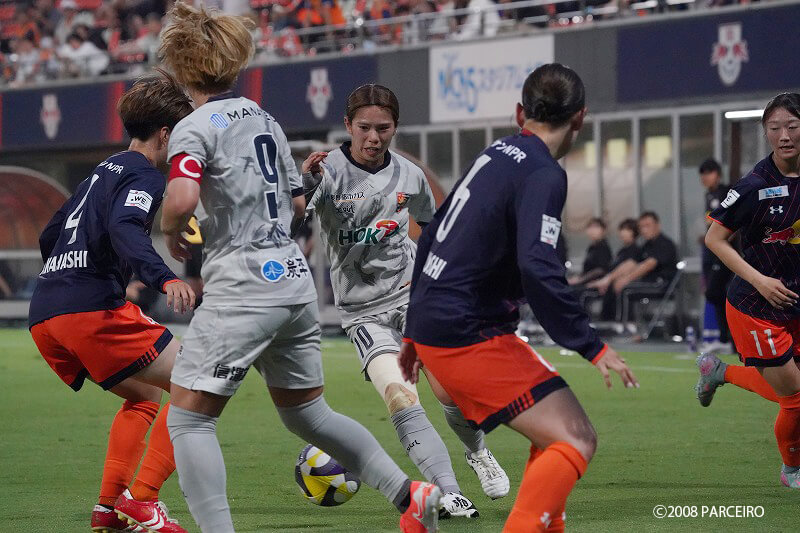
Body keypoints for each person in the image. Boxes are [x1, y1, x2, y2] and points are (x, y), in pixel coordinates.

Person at [158, 4, 442, 532]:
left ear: (180, 67)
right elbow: (294, 205)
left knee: (189, 420)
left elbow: (181, 198)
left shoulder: (192, 128)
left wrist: (172, 226)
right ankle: (410, 495)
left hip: (242, 284)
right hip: (291, 280)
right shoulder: (262, 118)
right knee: (309, 415)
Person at [399, 63, 638, 532]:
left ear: (519, 112)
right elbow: (537, 266)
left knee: (553, 437)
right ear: (580, 118)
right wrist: (591, 344)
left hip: (439, 326)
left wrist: (414, 329)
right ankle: (419, 518)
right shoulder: (544, 173)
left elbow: (432, 234)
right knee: (576, 439)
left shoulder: (495, 153)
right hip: (470, 333)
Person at [300, 84, 509, 519]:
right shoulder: (326, 171)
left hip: (415, 296)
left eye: (383, 128)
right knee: (400, 397)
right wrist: (303, 182)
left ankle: (478, 452)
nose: (373, 137)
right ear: (347, 126)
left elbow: (434, 229)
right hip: (362, 311)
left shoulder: (410, 176)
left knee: (451, 390)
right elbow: (293, 211)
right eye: (364, 128)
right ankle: (448, 492)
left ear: (395, 127)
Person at [27, 71, 196, 533]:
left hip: (45, 312)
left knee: (144, 398)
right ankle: (143, 500)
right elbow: (124, 227)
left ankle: (108, 508)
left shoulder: (99, 172)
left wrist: (67, 278)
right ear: (166, 134)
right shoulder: (146, 174)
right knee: (199, 380)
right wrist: (163, 278)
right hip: (88, 309)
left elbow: (50, 234)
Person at [699, 92, 800, 488]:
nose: (784, 136)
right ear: (766, 132)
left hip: (794, 301)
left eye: (792, 126)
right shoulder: (754, 186)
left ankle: (719, 372)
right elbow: (714, 239)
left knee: (791, 389)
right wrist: (760, 280)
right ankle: (792, 470)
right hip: (755, 305)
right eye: (775, 128)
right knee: (795, 397)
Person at [589, 211, 677, 324]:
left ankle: (625, 325)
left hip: (662, 284)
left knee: (626, 289)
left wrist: (626, 279)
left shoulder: (664, 244)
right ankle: (607, 322)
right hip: (648, 282)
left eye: (648, 226)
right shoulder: (646, 246)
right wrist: (610, 278)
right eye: (641, 227)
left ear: (657, 225)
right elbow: (631, 264)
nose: (644, 230)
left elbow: (648, 265)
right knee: (616, 284)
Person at [697, 158, 735, 354]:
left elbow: (732, 221)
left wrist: (724, 240)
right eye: (702, 174)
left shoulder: (726, 193)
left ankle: (729, 337)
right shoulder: (709, 195)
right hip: (711, 250)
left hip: (724, 249)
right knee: (714, 292)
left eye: (708, 173)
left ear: (718, 174)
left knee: (716, 291)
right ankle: (725, 338)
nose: (704, 177)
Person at [568, 217, 612, 286]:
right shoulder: (592, 247)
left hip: (596, 285)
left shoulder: (603, 247)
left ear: (603, 230)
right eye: (590, 227)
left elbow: (602, 270)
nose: (592, 230)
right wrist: (579, 277)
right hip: (586, 282)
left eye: (596, 227)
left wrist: (581, 280)